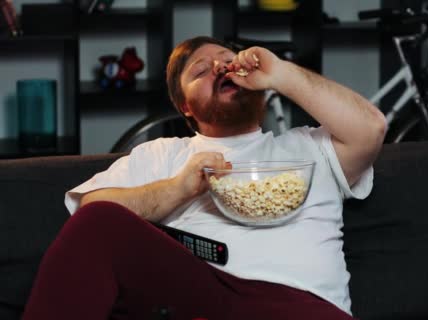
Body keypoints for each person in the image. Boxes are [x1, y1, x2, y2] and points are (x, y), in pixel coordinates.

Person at [22, 36, 387, 320]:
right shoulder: (163, 154)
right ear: (185, 106)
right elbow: (92, 212)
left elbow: (371, 128)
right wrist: (178, 188)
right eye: (201, 71)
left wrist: (281, 73)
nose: (220, 69)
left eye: (229, 62)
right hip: (203, 299)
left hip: (301, 305)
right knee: (99, 220)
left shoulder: (309, 147)